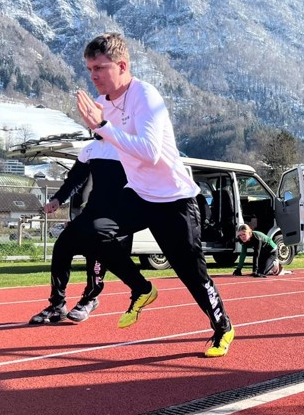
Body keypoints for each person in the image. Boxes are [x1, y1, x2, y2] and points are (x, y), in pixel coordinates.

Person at [75, 32, 234, 358]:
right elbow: (110, 146)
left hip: (174, 199)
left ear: (121, 66)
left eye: (100, 68)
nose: (93, 76)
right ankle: (142, 288)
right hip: (138, 195)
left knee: (192, 274)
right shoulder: (103, 104)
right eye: (89, 68)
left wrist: (103, 126)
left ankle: (223, 327)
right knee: (89, 233)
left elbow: (149, 152)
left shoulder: (146, 96)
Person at [29, 138, 131, 325]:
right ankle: (57, 305)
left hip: (117, 215)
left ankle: (90, 298)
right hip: (92, 211)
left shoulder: (128, 145)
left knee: (98, 248)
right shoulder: (90, 150)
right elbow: (75, 179)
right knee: (62, 246)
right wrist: (58, 199)